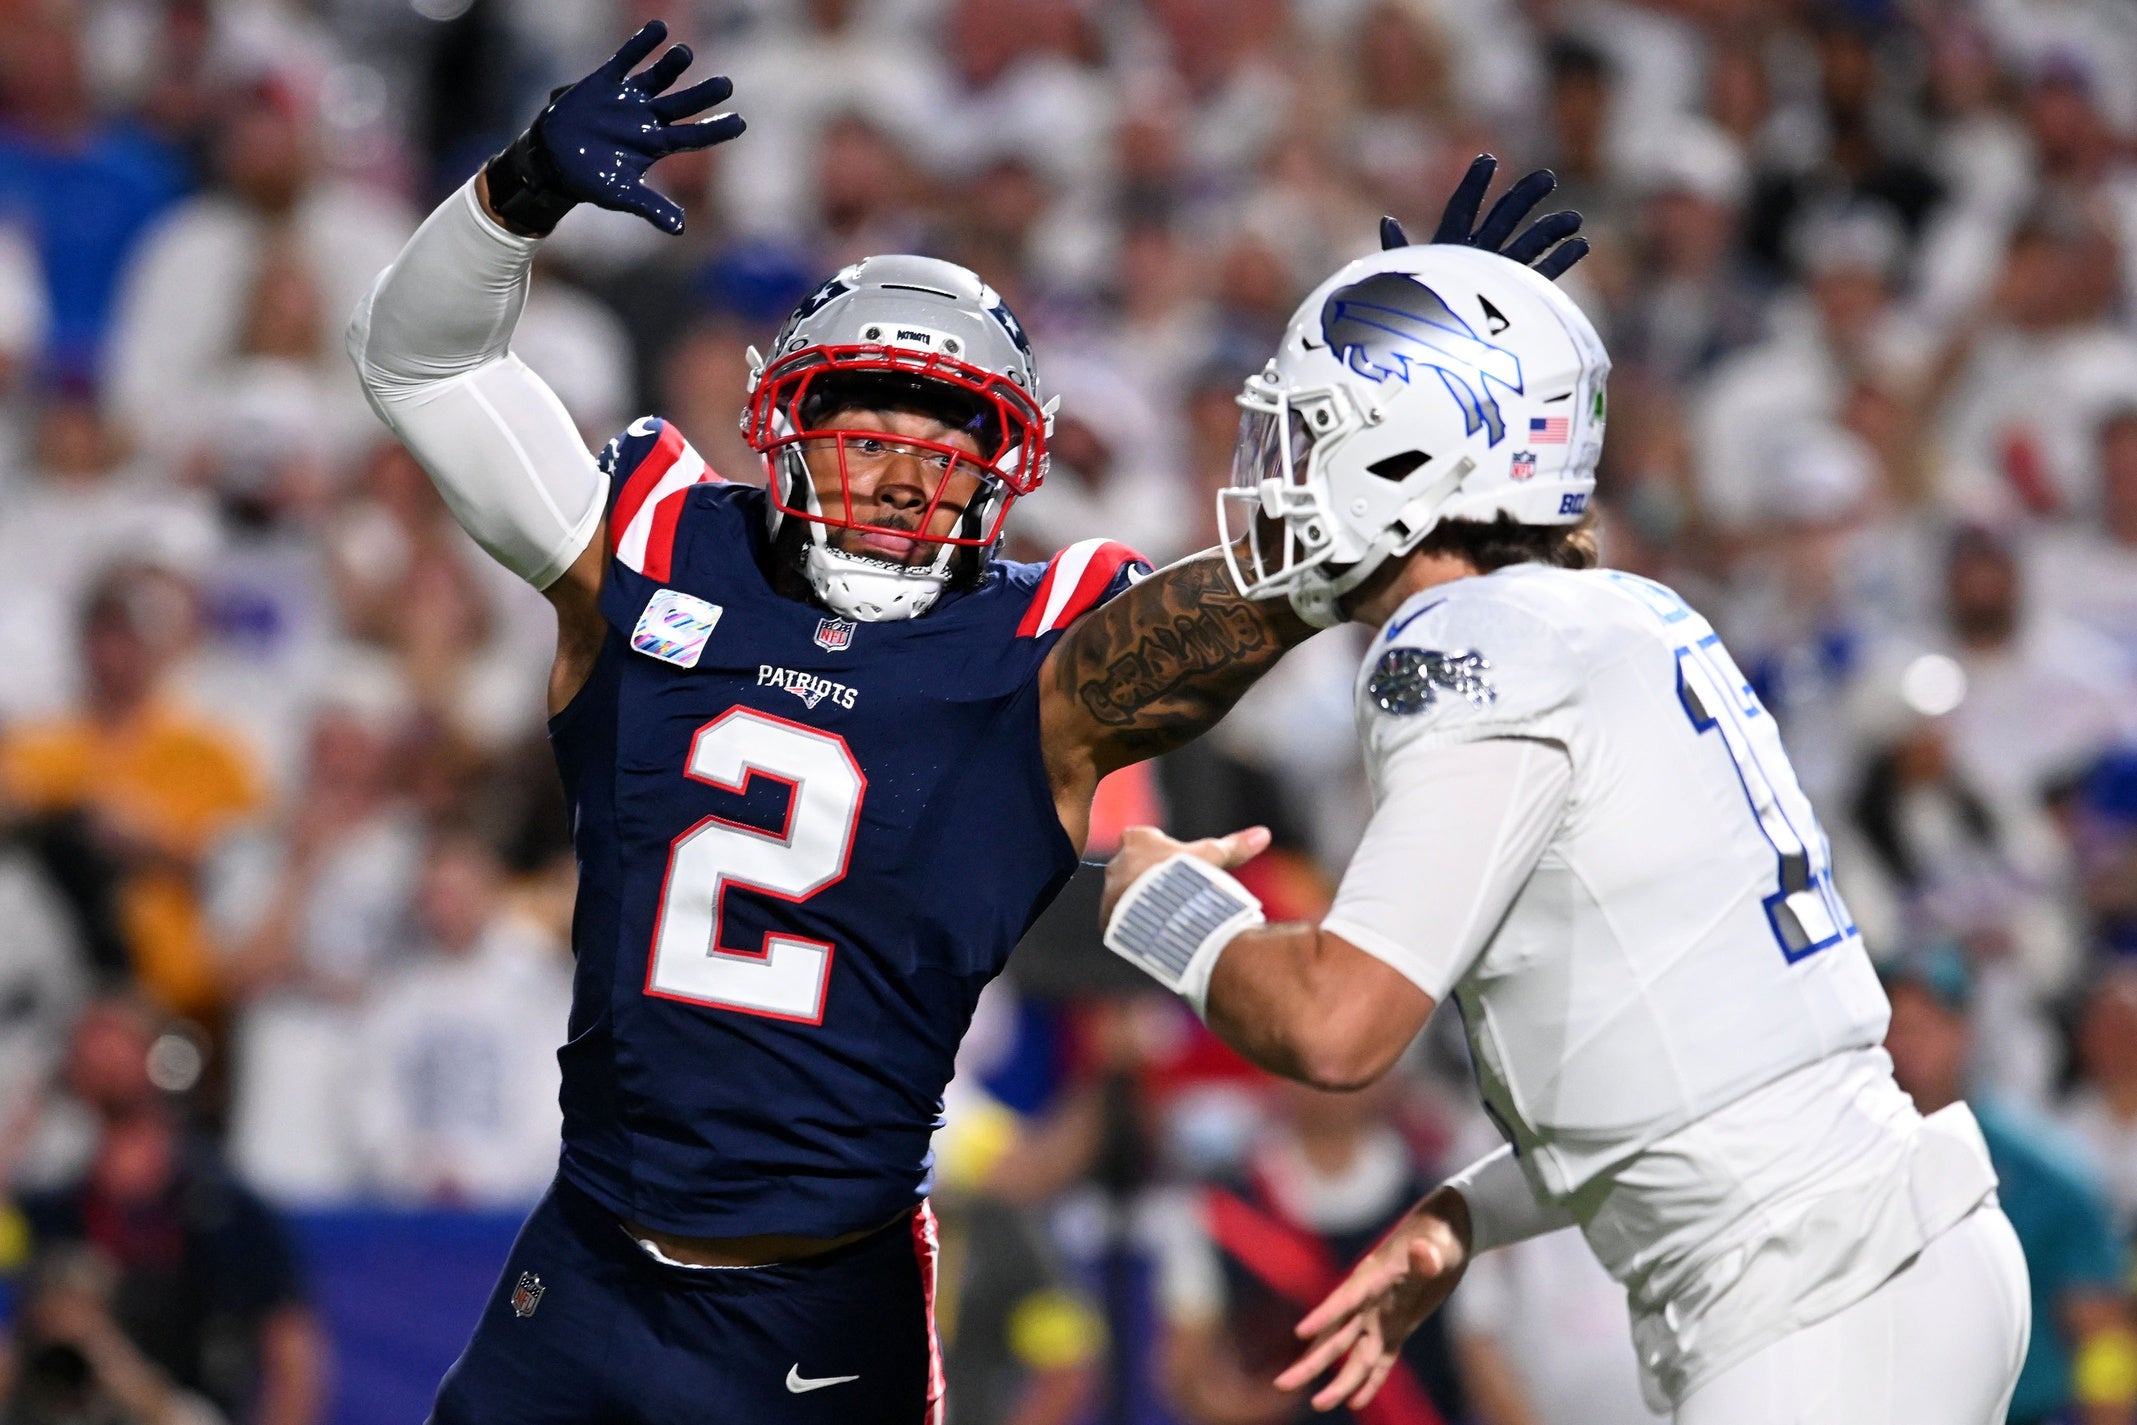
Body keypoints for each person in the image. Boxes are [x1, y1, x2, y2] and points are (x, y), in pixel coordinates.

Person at [346, 21, 1590, 1425]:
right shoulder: (644, 551)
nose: (896, 473)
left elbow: (1299, 576)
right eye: (868, 424)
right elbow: (421, 368)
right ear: (783, 423)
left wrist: (1454, 391)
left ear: (1006, 468)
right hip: (582, 1263)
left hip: (819, 1300)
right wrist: (512, 192)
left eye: (945, 440)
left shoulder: (1048, 656)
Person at [1096, 240, 2029, 1423]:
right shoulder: (1617, 614)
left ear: (1412, 451)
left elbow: (1337, 1027)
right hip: (1868, 1261)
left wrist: (1169, 911)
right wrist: (1466, 1214)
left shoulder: (1465, 649)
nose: (1283, 476)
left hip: (1814, 1300)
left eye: (1314, 433)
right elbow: (1679, 1065)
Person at [1883, 948, 2135, 1425]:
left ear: (1963, 1031)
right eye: (1893, 1026)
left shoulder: (2045, 1168)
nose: (1905, 1044)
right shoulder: (1846, 1159)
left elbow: (2103, 1330)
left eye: (1923, 1025)